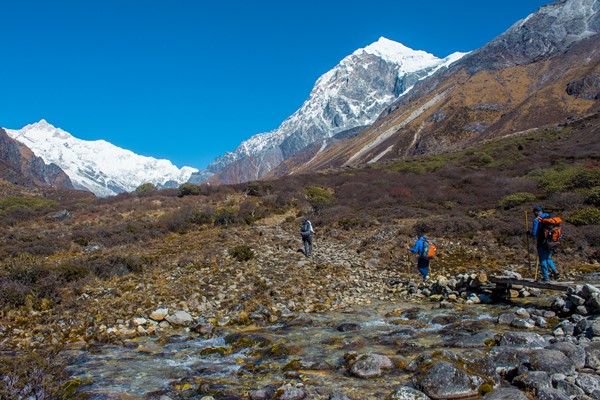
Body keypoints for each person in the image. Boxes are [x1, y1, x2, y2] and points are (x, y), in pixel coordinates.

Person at [530, 205, 561, 281]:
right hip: (553, 242)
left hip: (542, 242)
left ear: (536, 212)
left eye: (534, 212)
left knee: (542, 260)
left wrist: (529, 233)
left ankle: (546, 278)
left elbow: (534, 233)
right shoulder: (550, 218)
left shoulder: (537, 220)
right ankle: (555, 271)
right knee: (548, 258)